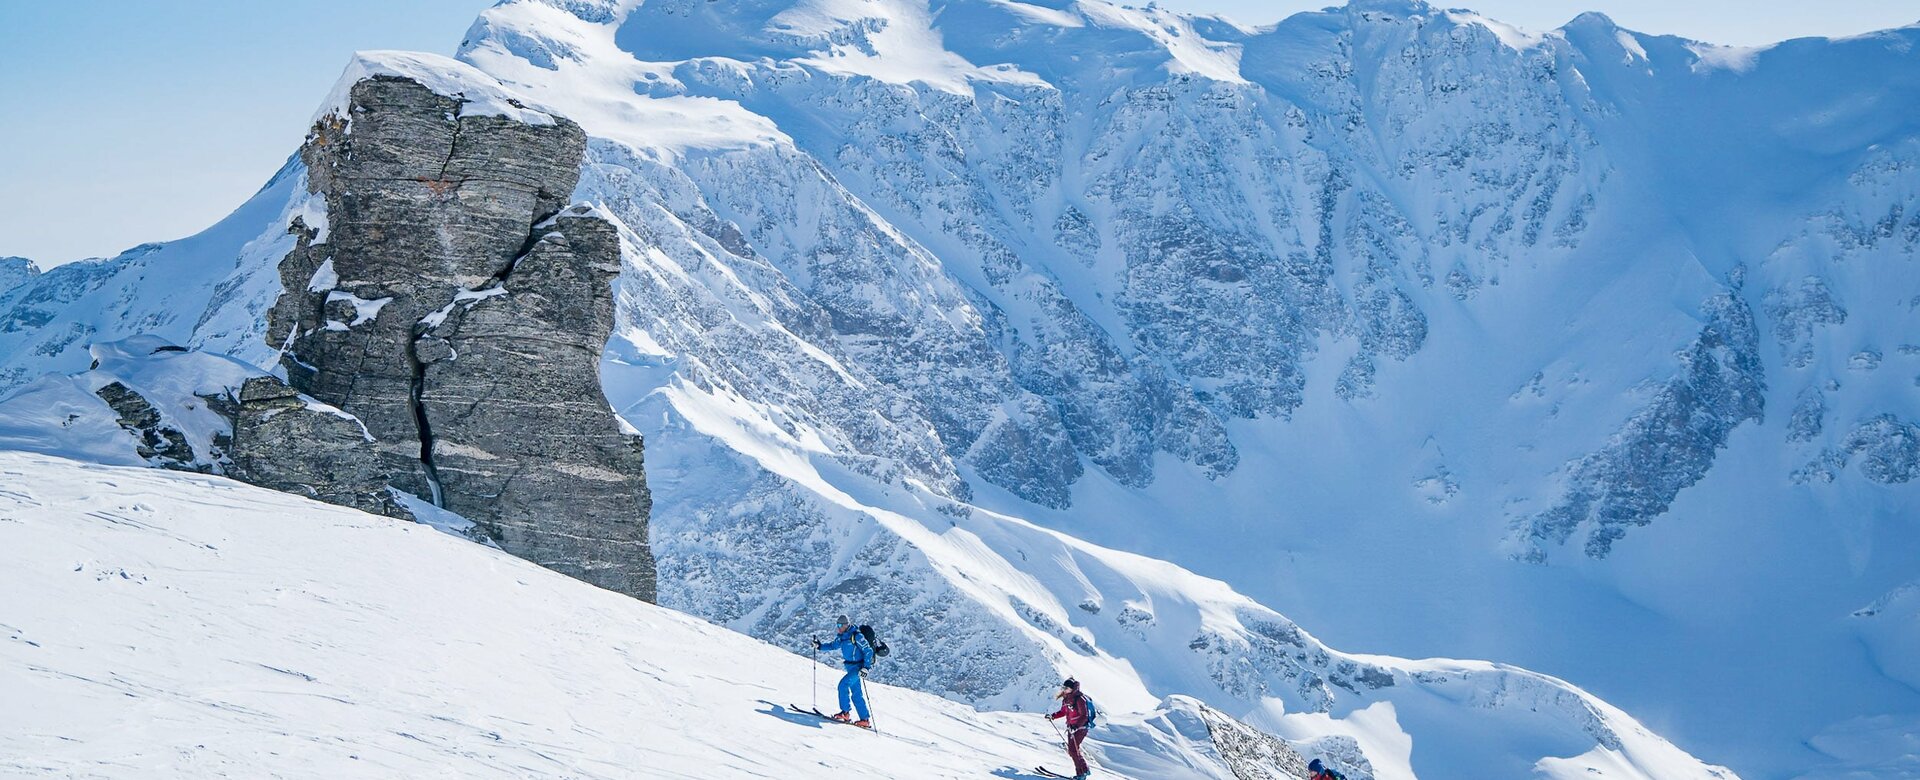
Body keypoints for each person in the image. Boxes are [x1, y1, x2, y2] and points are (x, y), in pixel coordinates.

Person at [814, 615, 874, 729]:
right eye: (837, 625)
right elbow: (832, 645)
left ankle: (845, 713)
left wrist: (866, 667)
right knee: (856, 693)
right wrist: (819, 646)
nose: (839, 627)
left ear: (847, 624)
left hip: (858, 667)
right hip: (850, 667)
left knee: (843, 685)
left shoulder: (857, 636)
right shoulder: (842, 637)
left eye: (841, 625)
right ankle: (864, 719)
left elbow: (868, 651)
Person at [1045, 678, 1094, 780]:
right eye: (1063, 687)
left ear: (1072, 688)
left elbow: (1084, 715)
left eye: (1066, 688)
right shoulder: (1066, 699)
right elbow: (1063, 712)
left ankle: (1082, 773)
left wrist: (1075, 726)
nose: (1064, 689)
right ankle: (1083, 771)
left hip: (1080, 728)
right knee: (1073, 751)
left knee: (1073, 750)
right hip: (1071, 728)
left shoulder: (1079, 699)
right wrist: (1053, 716)